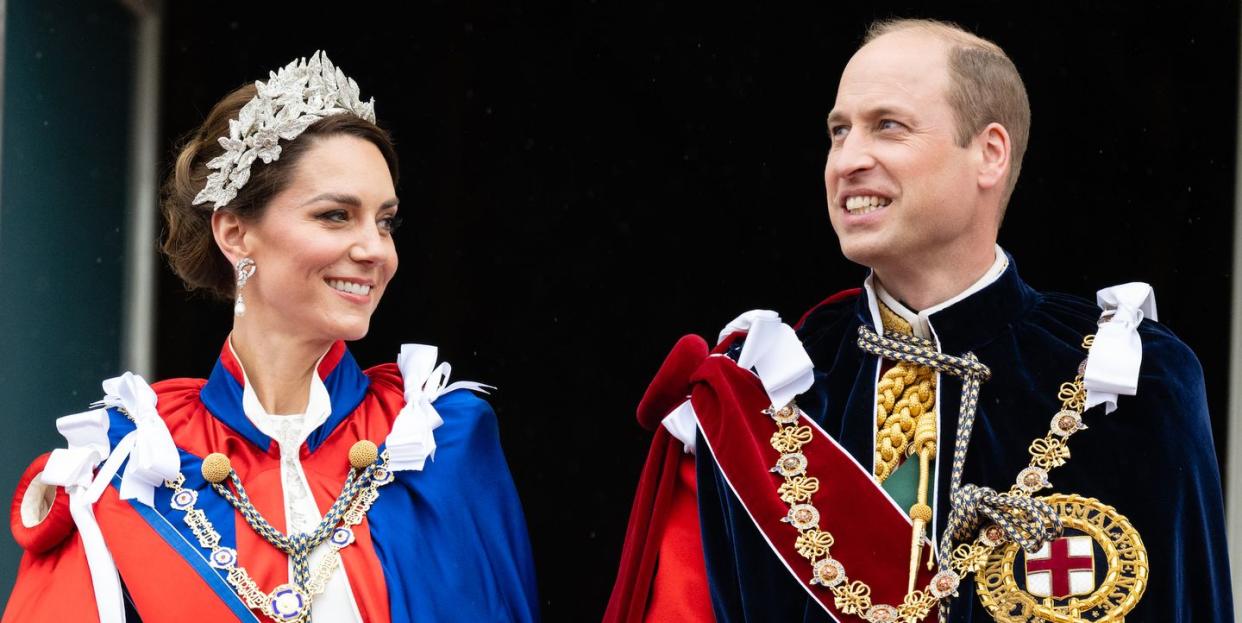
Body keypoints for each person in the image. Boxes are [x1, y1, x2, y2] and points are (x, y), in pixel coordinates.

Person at [605, 19, 1232, 623]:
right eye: (838, 131)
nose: (847, 160)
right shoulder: (760, 390)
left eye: (888, 127)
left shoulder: (1128, 380)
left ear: (988, 154)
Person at [4, 52, 539, 623]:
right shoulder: (127, 466)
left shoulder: (440, 441)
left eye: (385, 221)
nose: (375, 249)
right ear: (235, 233)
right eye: (336, 215)